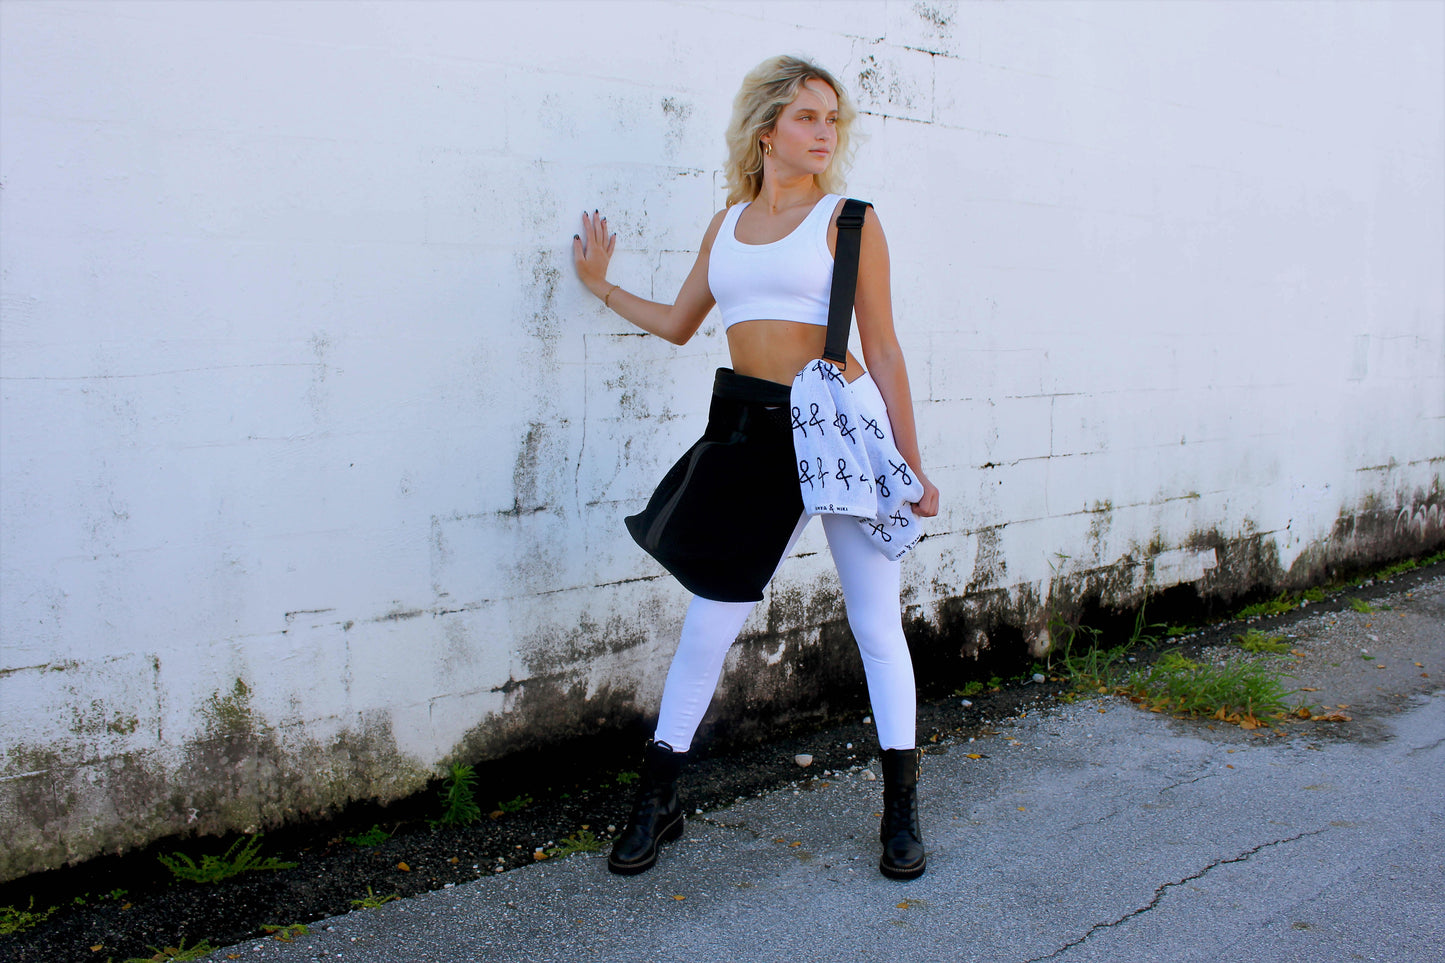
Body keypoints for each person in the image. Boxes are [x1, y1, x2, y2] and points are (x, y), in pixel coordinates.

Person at [572, 55, 939, 881]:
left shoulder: (849, 219)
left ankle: (902, 811)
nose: (824, 133)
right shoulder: (727, 223)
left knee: (875, 625)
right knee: (710, 620)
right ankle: (659, 800)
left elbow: (880, 345)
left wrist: (910, 467)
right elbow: (676, 322)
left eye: (832, 120)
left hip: (839, 430)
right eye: (807, 116)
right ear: (766, 126)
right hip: (748, 430)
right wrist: (601, 286)